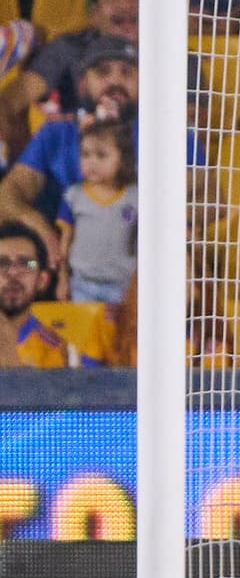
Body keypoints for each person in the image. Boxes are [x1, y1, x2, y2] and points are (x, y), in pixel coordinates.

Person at [0, 34, 138, 275]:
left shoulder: (165, 136)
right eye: (103, 72)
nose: (116, 81)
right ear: (83, 84)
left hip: (142, 265)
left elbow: (205, 194)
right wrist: (43, 229)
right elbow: (7, 196)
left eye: (127, 72)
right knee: (16, 256)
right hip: (62, 262)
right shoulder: (57, 132)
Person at [0, 0, 138, 156]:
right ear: (94, 13)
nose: (126, 4)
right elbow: (12, 99)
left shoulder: (167, 56)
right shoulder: (69, 47)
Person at [55, 119, 137, 303]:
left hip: (123, 285)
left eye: (101, 155)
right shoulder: (73, 196)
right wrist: (63, 279)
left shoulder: (136, 197)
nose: (91, 162)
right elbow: (66, 240)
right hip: (82, 283)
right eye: (85, 154)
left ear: (123, 158)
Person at [0, 220, 92, 368]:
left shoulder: (59, 348)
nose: (13, 272)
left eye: (26, 263)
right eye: (2, 263)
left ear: (42, 280)